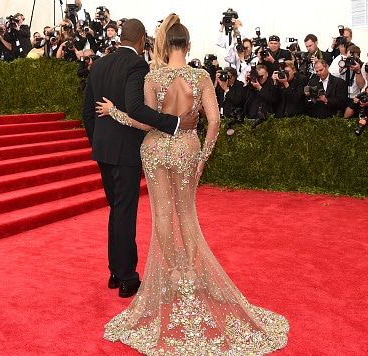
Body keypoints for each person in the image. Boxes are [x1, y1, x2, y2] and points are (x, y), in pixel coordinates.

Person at [94, 13, 289, 354]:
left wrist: (114, 113)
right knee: (187, 214)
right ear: (188, 45)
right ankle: (191, 277)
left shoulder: (154, 77)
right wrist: (203, 158)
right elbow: (214, 121)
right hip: (187, 148)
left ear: (165, 45)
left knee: (162, 217)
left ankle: (173, 276)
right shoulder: (200, 77)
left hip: (155, 149)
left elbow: (144, 122)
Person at [82, 18, 199, 300]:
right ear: (141, 40)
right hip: (125, 151)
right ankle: (127, 277)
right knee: (124, 211)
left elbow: (87, 111)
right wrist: (174, 123)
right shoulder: (136, 66)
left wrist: (97, 143)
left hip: (104, 151)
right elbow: (135, 107)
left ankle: (115, 271)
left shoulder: (99, 64)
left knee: (116, 209)